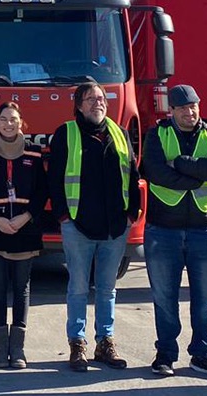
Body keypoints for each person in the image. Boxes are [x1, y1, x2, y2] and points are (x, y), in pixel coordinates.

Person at [140, 84, 207, 380]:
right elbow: (154, 171)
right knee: (164, 298)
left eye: (193, 106)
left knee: (206, 301)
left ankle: (203, 355)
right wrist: (197, 178)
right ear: (171, 110)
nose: (189, 112)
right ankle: (165, 354)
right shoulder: (157, 134)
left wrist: (180, 164)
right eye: (182, 108)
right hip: (163, 230)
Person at [48, 81, 140, 372]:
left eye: (100, 98)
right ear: (78, 105)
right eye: (89, 99)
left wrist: (132, 214)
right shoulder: (66, 133)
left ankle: (105, 343)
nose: (97, 103)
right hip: (78, 226)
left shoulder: (120, 133)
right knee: (78, 287)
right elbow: (54, 178)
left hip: (115, 227)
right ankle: (77, 344)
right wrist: (63, 216)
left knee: (107, 289)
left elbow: (133, 173)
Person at [0, 102, 46, 369]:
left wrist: (26, 217)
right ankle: (0, 349)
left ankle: (18, 349)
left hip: (26, 229)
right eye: (3, 119)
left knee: (22, 288)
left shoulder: (34, 153)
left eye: (13, 119)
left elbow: (42, 191)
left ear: (21, 122)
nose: (8, 124)